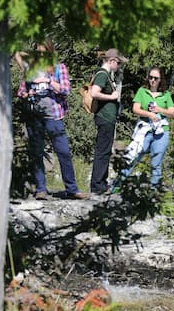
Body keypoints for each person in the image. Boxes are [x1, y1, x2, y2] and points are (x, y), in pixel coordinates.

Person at [16, 41, 88, 200]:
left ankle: (72, 189)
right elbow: (21, 92)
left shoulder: (58, 67)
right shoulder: (31, 69)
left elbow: (66, 89)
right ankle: (41, 189)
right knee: (36, 152)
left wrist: (48, 81)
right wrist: (29, 92)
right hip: (35, 115)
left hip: (54, 115)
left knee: (63, 151)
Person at [117, 66, 174, 189]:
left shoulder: (166, 94)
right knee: (132, 156)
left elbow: (172, 113)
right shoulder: (142, 91)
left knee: (156, 163)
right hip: (144, 130)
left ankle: (154, 192)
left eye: (156, 78)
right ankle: (117, 186)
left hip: (161, 132)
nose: (153, 80)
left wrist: (159, 110)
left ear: (160, 80)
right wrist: (149, 114)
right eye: (150, 77)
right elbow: (135, 109)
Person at [89, 48, 127, 194]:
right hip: (104, 118)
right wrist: (111, 97)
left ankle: (101, 183)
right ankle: (98, 185)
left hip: (108, 119)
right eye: (118, 63)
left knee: (105, 151)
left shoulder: (106, 75)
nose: (119, 66)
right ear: (111, 61)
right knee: (102, 151)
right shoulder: (102, 74)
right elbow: (94, 93)